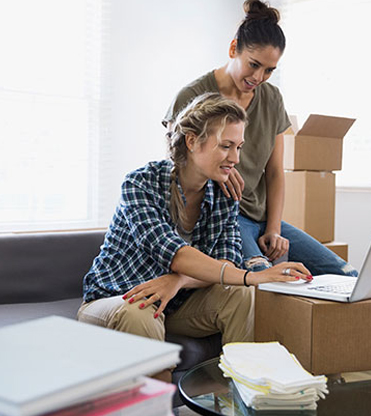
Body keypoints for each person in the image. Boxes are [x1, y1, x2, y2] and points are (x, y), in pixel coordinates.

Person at [78, 93, 310, 381]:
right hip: (116, 298)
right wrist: (253, 276)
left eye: (238, 147)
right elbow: (175, 254)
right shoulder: (141, 183)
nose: (235, 159)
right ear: (191, 141)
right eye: (226, 146)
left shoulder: (224, 193)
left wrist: (178, 282)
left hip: (176, 302)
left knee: (240, 294)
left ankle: (242, 393)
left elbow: (225, 262)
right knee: (141, 310)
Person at [163, 0, 358, 277]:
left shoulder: (272, 99)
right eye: (253, 65)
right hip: (224, 217)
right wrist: (217, 174)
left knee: (349, 275)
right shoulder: (192, 96)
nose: (259, 77)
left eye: (269, 70)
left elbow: (275, 172)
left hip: (262, 217)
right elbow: (175, 161)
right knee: (267, 280)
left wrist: (274, 228)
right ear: (233, 50)